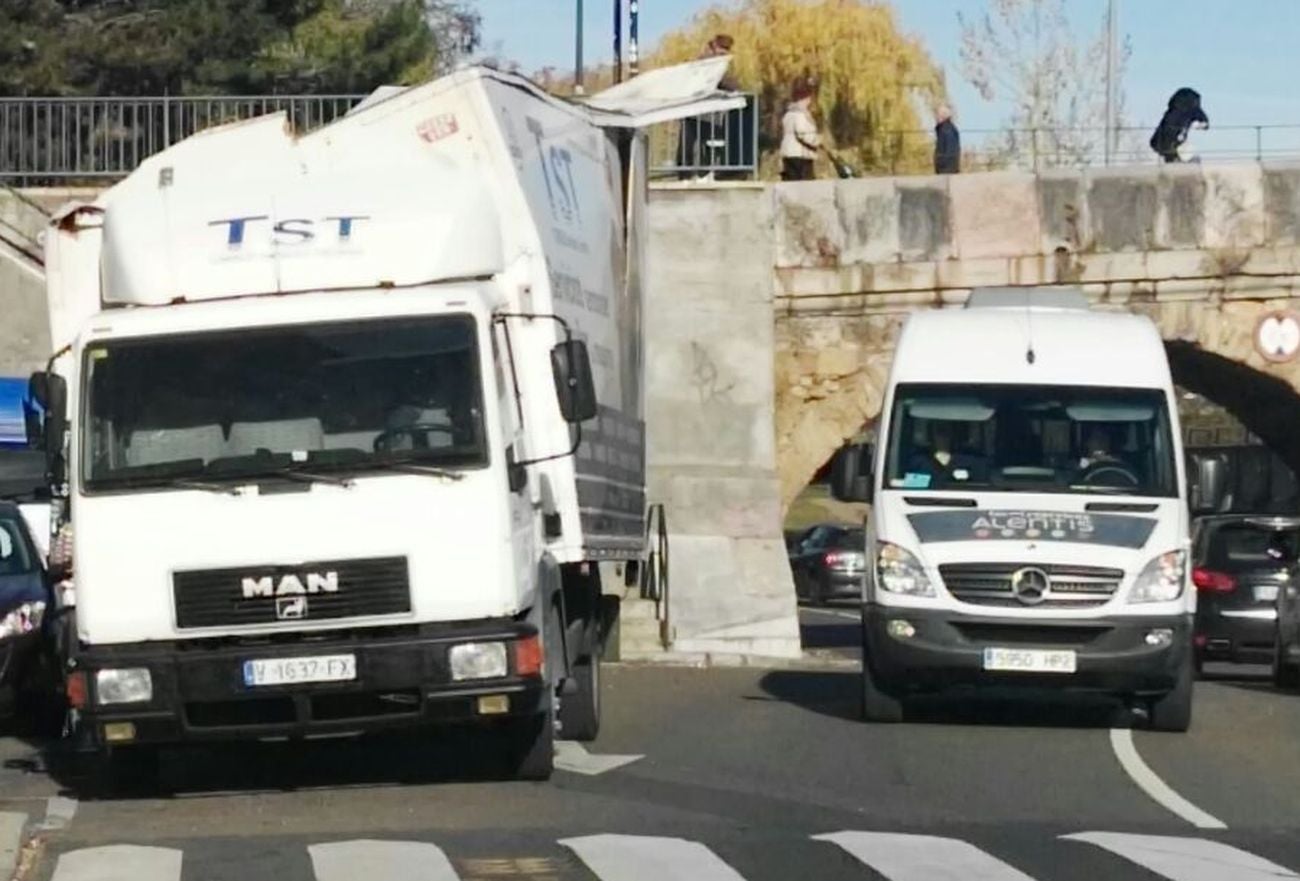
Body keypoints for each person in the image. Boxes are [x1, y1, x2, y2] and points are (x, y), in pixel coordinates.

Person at [676, 34, 737, 180]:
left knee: (700, 144)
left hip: (705, 113)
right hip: (697, 111)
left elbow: (730, 84)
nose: (723, 53)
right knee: (691, 144)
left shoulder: (714, 63)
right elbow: (727, 84)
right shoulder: (707, 63)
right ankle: (689, 173)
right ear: (715, 47)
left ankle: (695, 173)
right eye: (721, 50)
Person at [1150, 87, 1208, 163]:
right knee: (1190, 159)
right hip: (1173, 144)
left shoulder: (1172, 112)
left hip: (1166, 144)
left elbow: (1204, 121)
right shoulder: (1190, 110)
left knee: (1182, 156)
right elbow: (1204, 121)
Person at [780, 76, 820, 182]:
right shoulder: (800, 114)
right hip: (800, 155)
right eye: (808, 99)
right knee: (805, 184)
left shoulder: (788, 114)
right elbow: (803, 133)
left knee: (791, 181)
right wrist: (816, 141)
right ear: (805, 99)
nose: (810, 102)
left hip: (788, 152)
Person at [934, 105, 960, 174]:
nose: (935, 117)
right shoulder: (945, 129)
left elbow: (950, 152)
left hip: (946, 171)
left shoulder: (946, 130)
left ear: (943, 116)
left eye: (937, 114)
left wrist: (942, 167)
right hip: (946, 170)